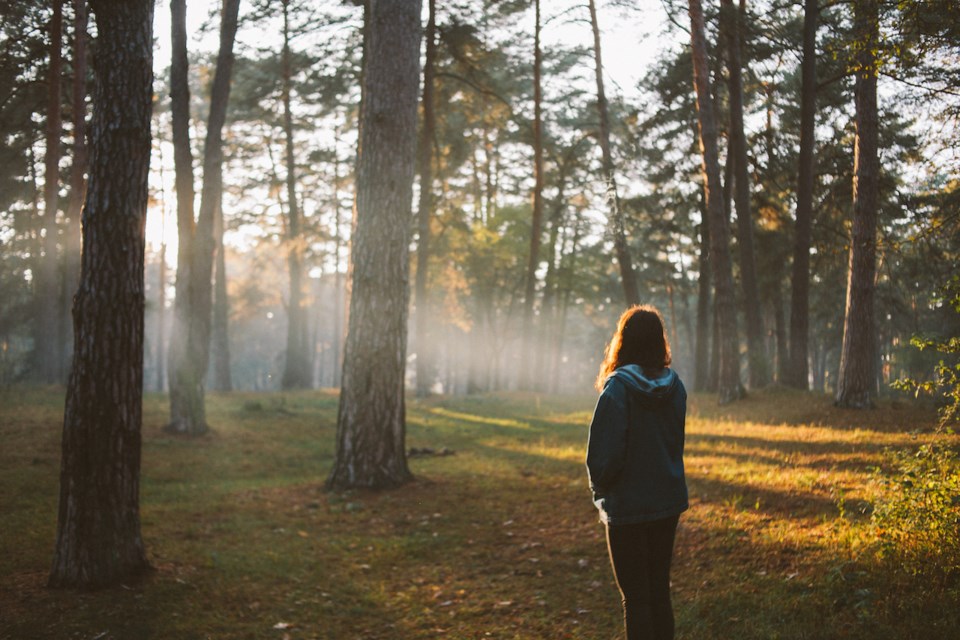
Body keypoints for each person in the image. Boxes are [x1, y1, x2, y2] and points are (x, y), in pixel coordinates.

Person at [586, 304, 688, 640]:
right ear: (660, 343)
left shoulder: (617, 389)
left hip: (628, 507)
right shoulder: (677, 388)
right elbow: (674, 445)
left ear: (623, 341)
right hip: (667, 503)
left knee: (637, 599)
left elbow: (603, 456)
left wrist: (602, 492)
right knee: (659, 591)